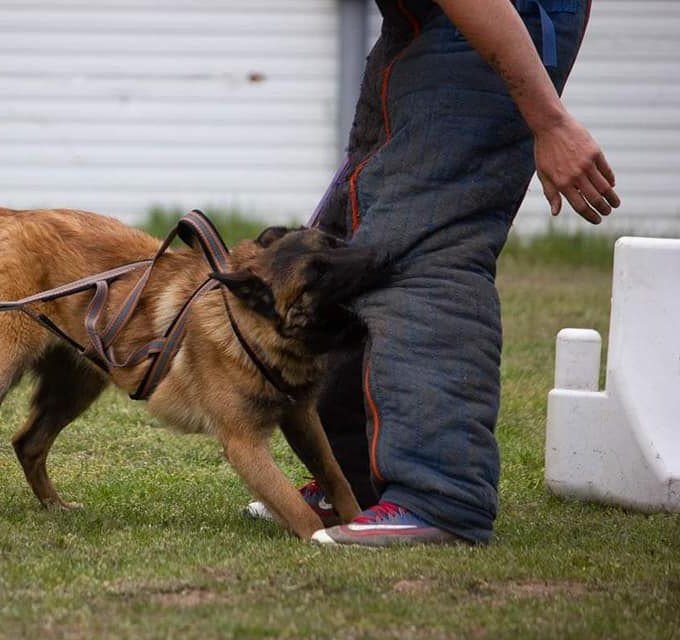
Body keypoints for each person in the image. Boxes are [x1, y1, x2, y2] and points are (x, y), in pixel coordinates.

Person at [245, 0, 619, 546]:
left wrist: (549, 119)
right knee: (350, 242)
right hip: (420, 25)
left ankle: (439, 495)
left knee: (423, 245)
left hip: (492, 17)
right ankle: (352, 482)